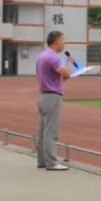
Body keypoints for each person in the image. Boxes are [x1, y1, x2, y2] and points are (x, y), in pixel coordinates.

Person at [36, 31, 75, 171]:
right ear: (56, 42)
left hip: (43, 95)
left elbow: (57, 78)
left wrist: (65, 75)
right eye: (63, 41)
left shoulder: (41, 56)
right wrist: (69, 63)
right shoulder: (52, 57)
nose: (64, 44)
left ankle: (42, 160)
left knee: (42, 131)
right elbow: (67, 73)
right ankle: (51, 162)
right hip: (52, 96)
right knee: (51, 131)